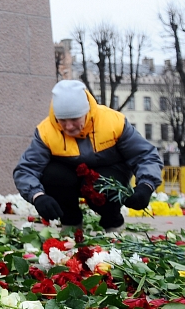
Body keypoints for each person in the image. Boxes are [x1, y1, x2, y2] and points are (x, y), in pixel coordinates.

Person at [13, 80, 163, 232]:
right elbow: (26, 169)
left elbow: (145, 155)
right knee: (52, 174)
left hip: (108, 176)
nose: (68, 126)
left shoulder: (113, 122)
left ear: (86, 112)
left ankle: (113, 223)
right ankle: (70, 224)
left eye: (74, 119)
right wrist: (37, 196)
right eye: (62, 120)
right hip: (68, 180)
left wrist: (146, 186)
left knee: (103, 183)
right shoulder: (46, 131)